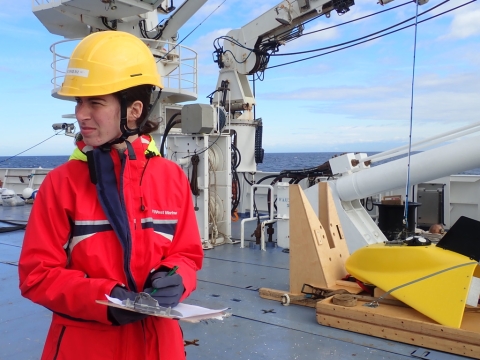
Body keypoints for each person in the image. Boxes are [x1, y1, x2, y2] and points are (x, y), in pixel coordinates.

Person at [18, 31, 203, 360]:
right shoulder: (61, 184)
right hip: (87, 347)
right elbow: (36, 275)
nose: (80, 114)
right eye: (78, 101)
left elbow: (186, 255)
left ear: (133, 110)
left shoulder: (171, 178)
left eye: (95, 102)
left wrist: (176, 278)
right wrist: (108, 299)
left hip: (160, 346)